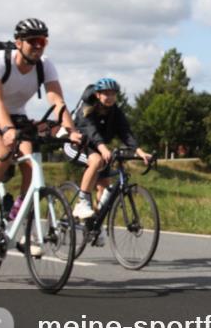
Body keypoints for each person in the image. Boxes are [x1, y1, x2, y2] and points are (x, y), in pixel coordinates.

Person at [0, 19, 83, 254]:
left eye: (43, 41)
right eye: (33, 42)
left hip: (16, 114)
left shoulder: (45, 65)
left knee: (31, 165)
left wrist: (71, 131)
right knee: (1, 157)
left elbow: (57, 101)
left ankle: (15, 222)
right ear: (18, 43)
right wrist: (7, 130)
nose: (38, 47)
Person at [64, 77, 151, 244]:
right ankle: (82, 202)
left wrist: (139, 151)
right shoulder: (87, 107)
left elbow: (126, 132)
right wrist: (103, 148)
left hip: (97, 148)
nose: (109, 97)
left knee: (104, 188)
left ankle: (93, 226)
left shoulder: (115, 112)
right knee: (96, 161)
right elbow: (91, 130)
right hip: (75, 145)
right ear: (97, 95)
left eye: (112, 94)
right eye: (106, 93)